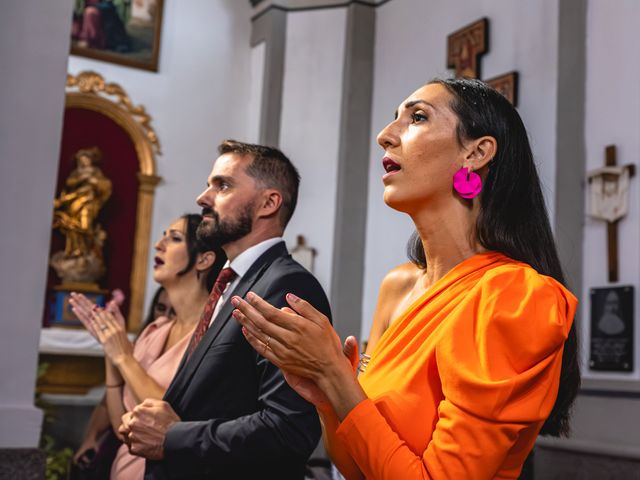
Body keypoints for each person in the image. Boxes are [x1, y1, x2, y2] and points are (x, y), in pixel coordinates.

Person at [232, 78, 580, 479]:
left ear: (476, 152)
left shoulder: (515, 297)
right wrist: (327, 393)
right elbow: (355, 465)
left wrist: (333, 375)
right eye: (393, 119)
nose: (384, 136)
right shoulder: (397, 287)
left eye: (417, 117)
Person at [119, 141, 332, 480]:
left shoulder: (285, 287)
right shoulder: (230, 282)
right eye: (209, 185)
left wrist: (173, 437)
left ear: (268, 203)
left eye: (223, 185)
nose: (203, 198)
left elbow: (288, 429)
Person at [70, 213, 225, 479]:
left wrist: (124, 357)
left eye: (174, 238)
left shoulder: (214, 335)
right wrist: (111, 347)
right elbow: (123, 425)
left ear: (204, 259)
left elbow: (173, 418)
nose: (158, 245)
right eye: (162, 237)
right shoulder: (155, 331)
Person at [72, 286, 175, 471]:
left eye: (174, 311)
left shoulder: (185, 347)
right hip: (126, 449)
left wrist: (121, 356)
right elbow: (115, 411)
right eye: (160, 308)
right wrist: (91, 437)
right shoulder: (142, 342)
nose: (164, 318)